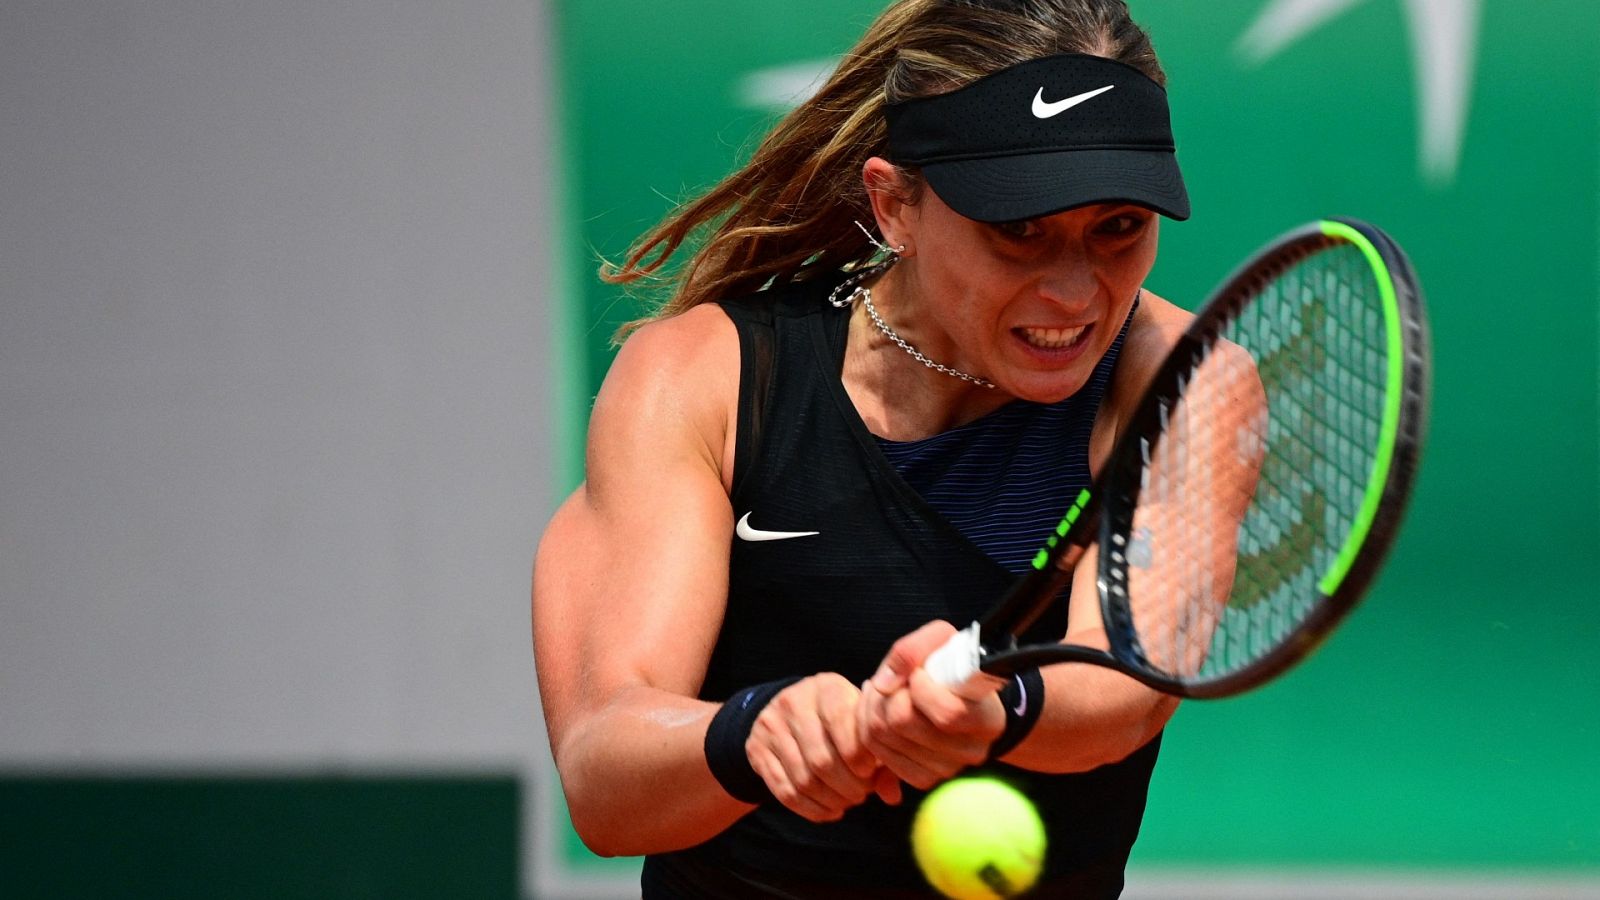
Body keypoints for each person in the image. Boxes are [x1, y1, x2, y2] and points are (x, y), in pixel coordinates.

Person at [533, 1, 1198, 895]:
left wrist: (994, 706)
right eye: (1021, 230)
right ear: (895, 207)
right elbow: (606, 780)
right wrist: (752, 732)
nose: (1076, 291)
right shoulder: (702, 377)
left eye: (1119, 226)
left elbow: (1124, 688)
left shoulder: (1181, 380)